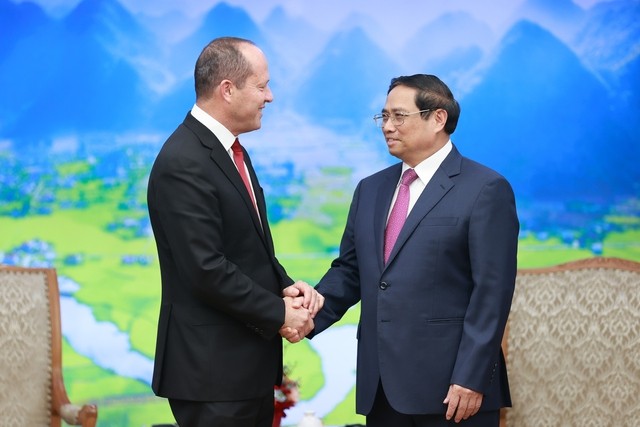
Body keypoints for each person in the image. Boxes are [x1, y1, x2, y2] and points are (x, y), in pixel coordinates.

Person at [307, 74, 519, 426]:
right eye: (383, 116)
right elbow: (351, 271)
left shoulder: (486, 189)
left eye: (399, 116)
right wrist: (304, 313)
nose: (387, 126)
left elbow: (492, 294)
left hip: (453, 392)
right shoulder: (370, 189)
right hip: (382, 389)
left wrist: (471, 377)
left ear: (438, 118)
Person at [147, 37, 322, 427]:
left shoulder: (229, 151)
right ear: (227, 89)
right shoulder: (184, 161)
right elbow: (205, 268)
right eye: (261, 86)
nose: (270, 97)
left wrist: (286, 287)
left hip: (244, 371)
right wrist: (279, 313)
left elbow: (247, 249)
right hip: (212, 375)